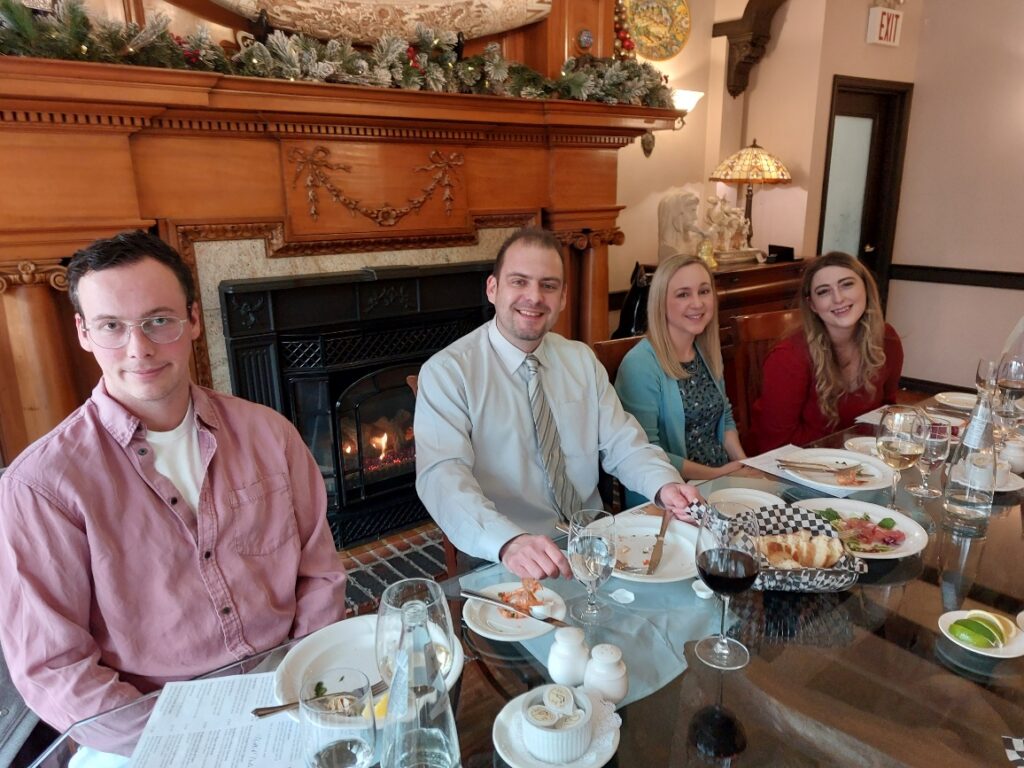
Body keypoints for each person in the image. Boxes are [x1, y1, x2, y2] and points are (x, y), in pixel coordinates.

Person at [0, 231, 347, 748]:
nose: (138, 348)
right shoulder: (41, 486)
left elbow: (320, 574)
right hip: (153, 731)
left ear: (193, 320)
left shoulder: (270, 434)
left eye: (158, 320)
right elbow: (55, 669)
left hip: (291, 693)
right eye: (111, 326)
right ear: (83, 333)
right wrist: (181, 742)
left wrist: (303, 687)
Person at [414, 228, 701, 580]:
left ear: (563, 297)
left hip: (593, 540)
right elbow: (442, 477)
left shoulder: (580, 360)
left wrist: (664, 484)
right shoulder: (448, 373)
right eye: (519, 282)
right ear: (493, 288)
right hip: (504, 554)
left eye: (548, 285)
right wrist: (508, 541)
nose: (534, 297)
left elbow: (623, 443)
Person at [615, 255, 747, 503]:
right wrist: (717, 474)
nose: (697, 303)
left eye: (704, 291)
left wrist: (743, 464)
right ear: (660, 303)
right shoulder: (640, 364)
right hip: (671, 495)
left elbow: (726, 417)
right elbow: (646, 451)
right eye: (683, 294)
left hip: (720, 481)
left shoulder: (706, 350)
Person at [751, 251, 904, 452]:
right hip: (796, 463)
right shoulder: (788, 358)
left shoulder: (887, 339)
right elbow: (777, 445)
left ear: (866, 288)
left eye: (847, 284)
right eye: (823, 292)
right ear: (813, 305)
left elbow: (886, 412)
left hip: (859, 459)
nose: (838, 298)